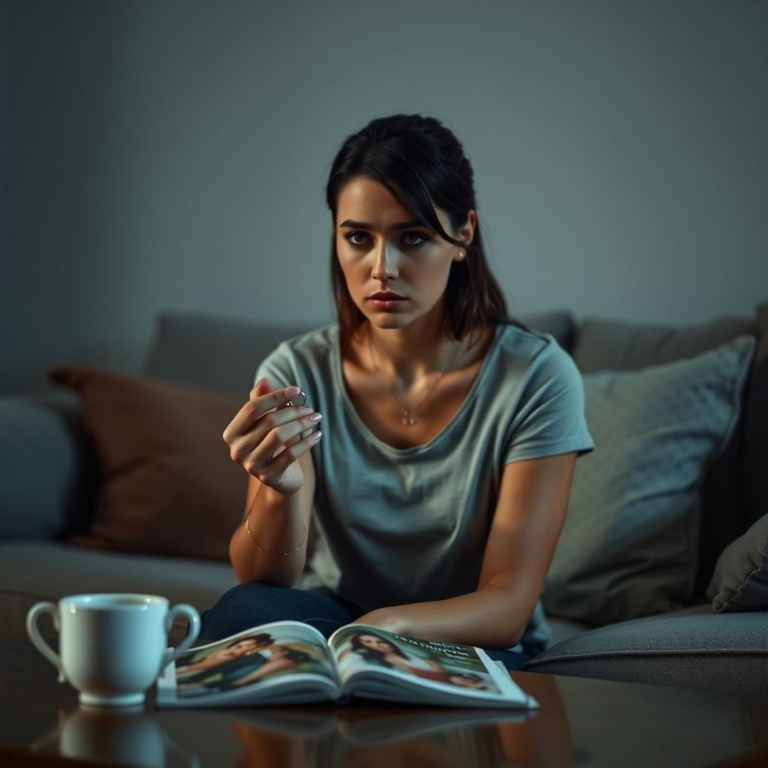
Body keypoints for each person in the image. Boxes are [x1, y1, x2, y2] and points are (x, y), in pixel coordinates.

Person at [202, 113, 595, 670]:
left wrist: (384, 629)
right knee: (243, 611)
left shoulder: (536, 376)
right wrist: (282, 491)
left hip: (470, 641)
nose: (381, 268)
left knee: (373, 672)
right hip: (341, 618)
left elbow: (508, 604)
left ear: (463, 234)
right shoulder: (296, 370)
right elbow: (265, 580)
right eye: (358, 238)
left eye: (412, 238)